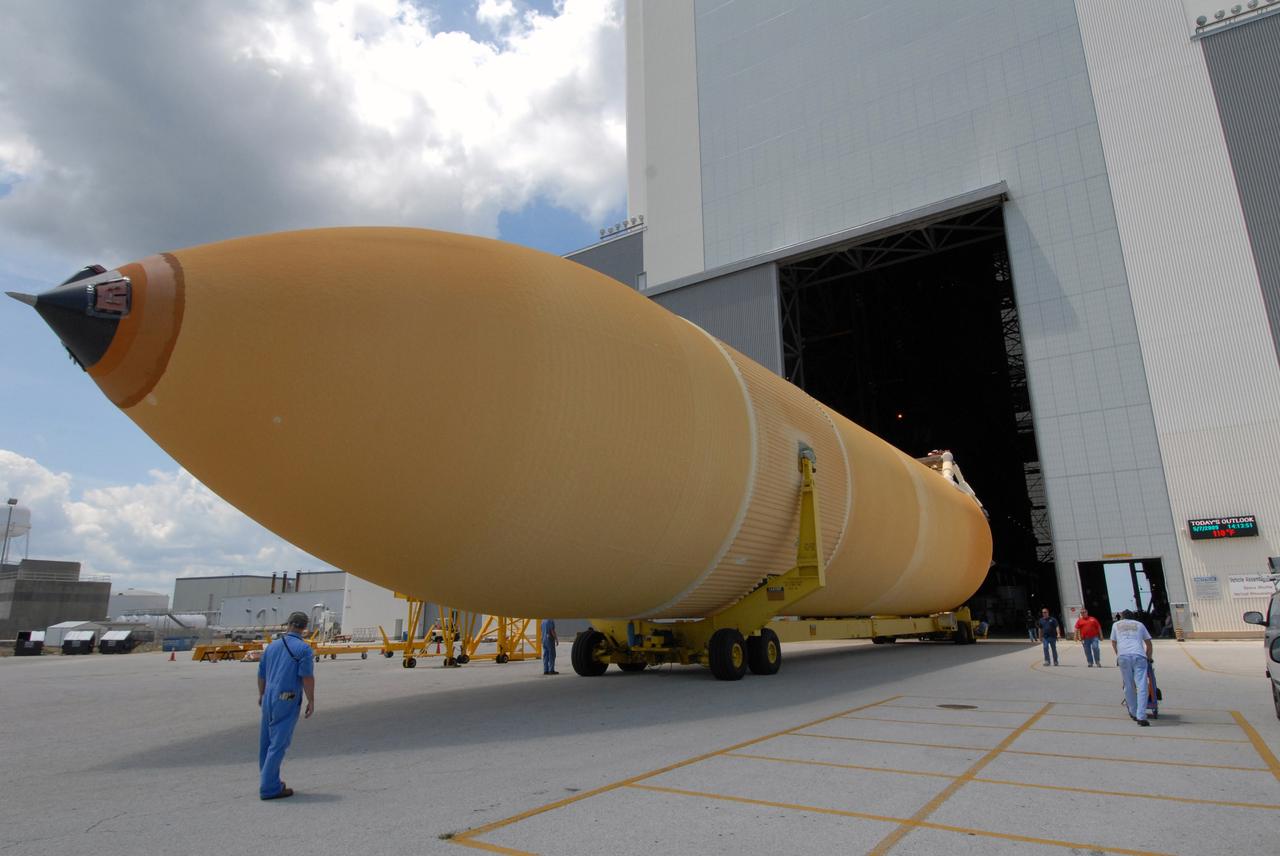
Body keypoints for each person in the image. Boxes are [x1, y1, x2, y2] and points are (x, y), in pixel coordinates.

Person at [257, 611, 316, 799]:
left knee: (266, 741)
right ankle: (269, 788)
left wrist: (261, 694)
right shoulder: (303, 649)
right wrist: (311, 700)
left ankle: (269, 779)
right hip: (287, 696)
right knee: (279, 742)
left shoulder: (272, 647)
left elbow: (261, 674)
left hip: (269, 695)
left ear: (288, 624)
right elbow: (306, 677)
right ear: (304, 628)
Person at [1111, 609, 1154, 726]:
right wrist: (1149, 657)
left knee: (1128, 685)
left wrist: (1118, 656)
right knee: (1142, 686)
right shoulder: (1139, 625)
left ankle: (1133, 712)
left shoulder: (1116, 625)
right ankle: (1141, 716)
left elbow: (1113, 642)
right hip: (1139, 655)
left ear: (1122, 617)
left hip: (1123, 656)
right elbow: (1149, 643)